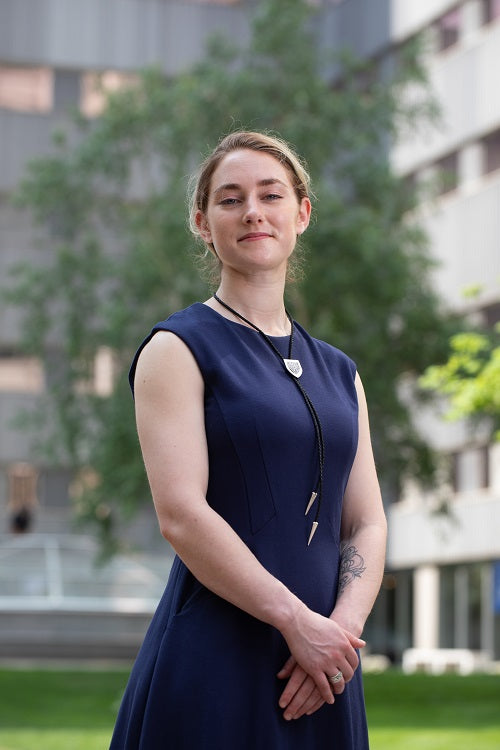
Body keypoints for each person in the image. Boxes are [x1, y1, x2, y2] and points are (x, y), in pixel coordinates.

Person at [109, 130, 387, 749]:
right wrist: (296, 622)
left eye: (271, 194)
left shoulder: (341, 370)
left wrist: (338, 635)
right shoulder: (177, 349)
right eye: (230, 199)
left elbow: (366, 520)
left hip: (322, 665)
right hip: (219, 654)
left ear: (302, 213)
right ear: (203, 223)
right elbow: (181, 514)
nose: (253, 211)